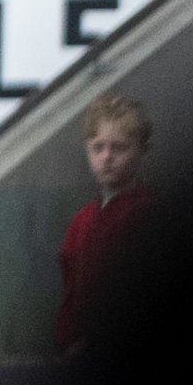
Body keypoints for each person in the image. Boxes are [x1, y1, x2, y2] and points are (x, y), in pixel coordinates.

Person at [57, 91, 153, 349]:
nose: (107, 157)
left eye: (119, 147)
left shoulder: (149, 216)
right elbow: (71, 292)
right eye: (98, 147)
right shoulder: (82, 220)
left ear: (142, 152)